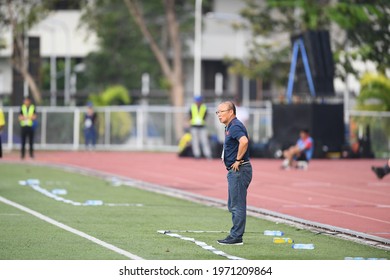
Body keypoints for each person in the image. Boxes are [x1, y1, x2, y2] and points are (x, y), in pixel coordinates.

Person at [216, 101, 252, 245]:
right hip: (236, 170)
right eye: (217, 112)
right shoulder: (230, 126)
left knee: (237, 205)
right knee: (233, 204)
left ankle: (236, 237)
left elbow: (244, 141)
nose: (219, 114)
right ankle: (235, 234)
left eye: (221, 111)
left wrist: (237, 160)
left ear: (231, 112)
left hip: (239, 169)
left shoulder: (235, 126)